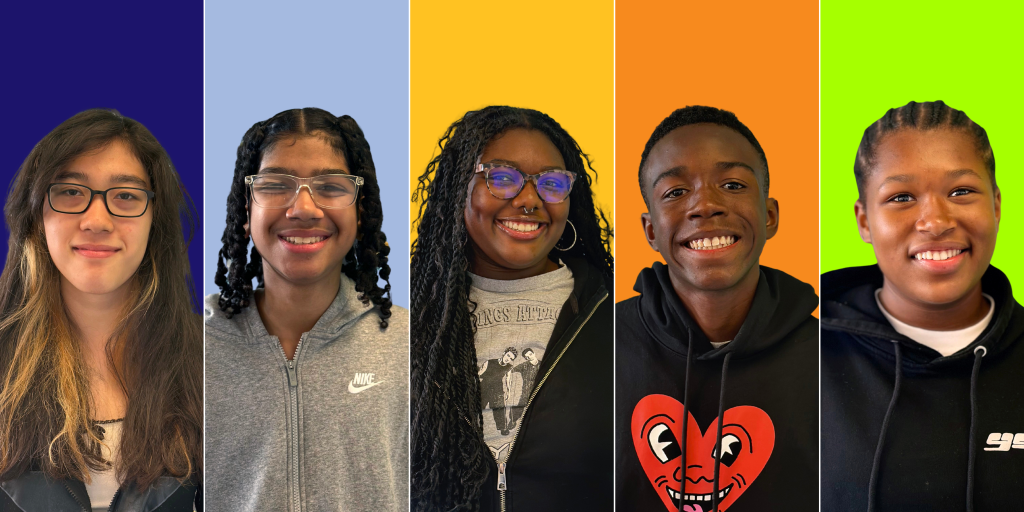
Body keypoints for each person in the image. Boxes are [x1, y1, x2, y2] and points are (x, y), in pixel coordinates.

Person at [821, 100, 1024, 511]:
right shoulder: (805, 355)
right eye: (901, 197)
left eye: (961, 191)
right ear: (864, 221)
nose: (935, 221)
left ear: (996, 206)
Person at [410, 106, 614, 511]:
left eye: (552, 183)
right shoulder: (411, 319)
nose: (529, 200)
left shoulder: (614, 313)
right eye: (502, 178)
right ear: (459, 189)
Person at [616, 106, 818, 512]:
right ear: (651, 230)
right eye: (675, 192)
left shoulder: (831, 358)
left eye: (732, 184)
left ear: (770, 215)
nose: (705, 205)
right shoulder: (602, 344)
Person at [205, 108, 408, 511]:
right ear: (246, 208)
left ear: (360, 208)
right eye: (275, 185)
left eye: (330, 186)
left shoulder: (410, 346)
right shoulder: (195, 348)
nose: (303, 208)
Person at [0, 109, 202, 511]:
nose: (97, 220)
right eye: (70, 192)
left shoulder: (214, 363)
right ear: (37, 215)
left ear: (154, 221)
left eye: (125, 196)